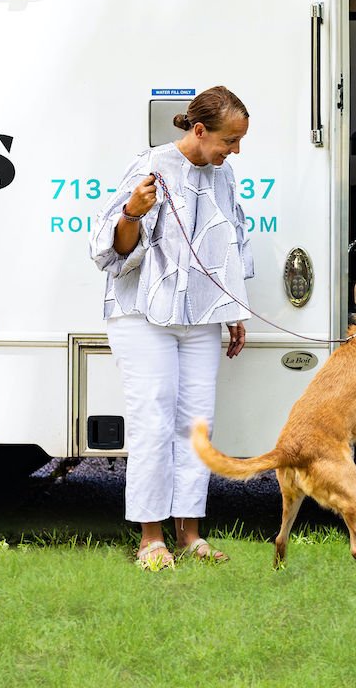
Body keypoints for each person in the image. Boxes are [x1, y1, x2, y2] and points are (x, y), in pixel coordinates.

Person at [90, 86, 253, 568]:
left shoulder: (223, 174)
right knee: (152, 422)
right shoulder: (150, 166)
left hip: (201, 315)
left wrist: (235, 310)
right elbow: (112, 250)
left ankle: (190, 534)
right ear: (199, 131)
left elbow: (232, 240)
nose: (235, 150)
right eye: (230, 140)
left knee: (196, 422)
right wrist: (132, 213)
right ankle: (150, 539)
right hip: (143, 313)